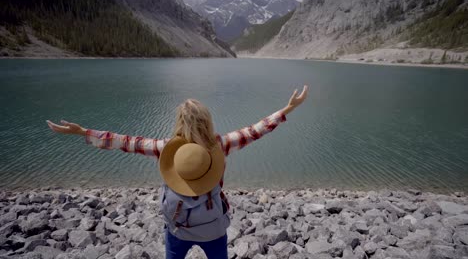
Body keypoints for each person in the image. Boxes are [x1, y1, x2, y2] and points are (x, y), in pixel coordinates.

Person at [46, 85, 308, 259]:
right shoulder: (219, 145)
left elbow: (125, 142)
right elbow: (256, 130)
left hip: (178, 227)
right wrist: (288, 109)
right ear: (207, 121)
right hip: (213, 227)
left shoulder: (164, 149)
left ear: (179, 123)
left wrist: (83, 132)